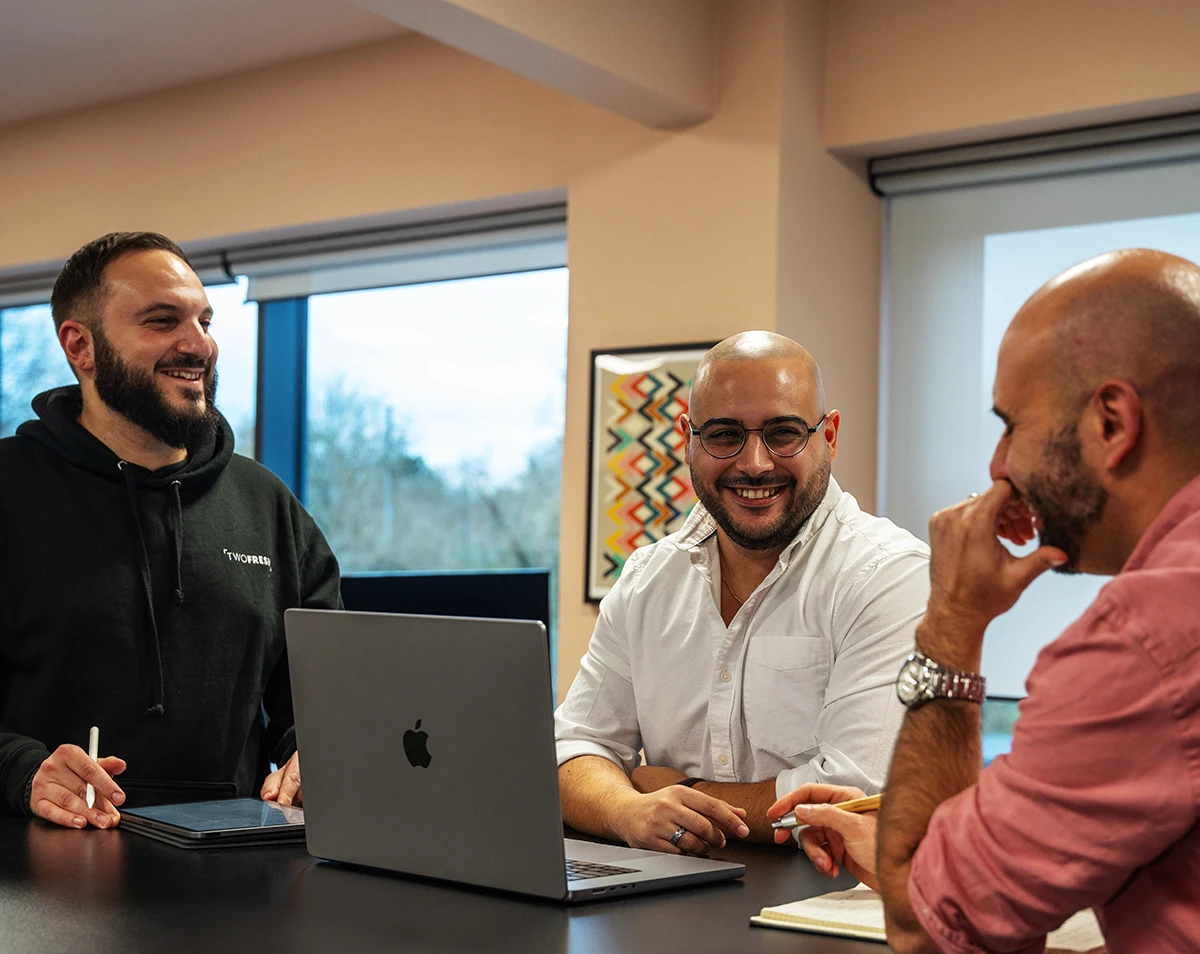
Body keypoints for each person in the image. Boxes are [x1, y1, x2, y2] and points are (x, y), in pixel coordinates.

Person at [770, 248, 1200, 952]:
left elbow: (927, 930)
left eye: (1011, 425)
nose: (998, 466)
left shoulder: (1143, 641)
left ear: (1112, 424)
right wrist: (952, 839)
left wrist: (953, 622)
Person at [0, 232, 341, 830]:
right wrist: (22, 770)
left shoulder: (267, 505)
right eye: (162, 321)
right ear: (80, 346)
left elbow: (326, 698)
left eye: (204, 321)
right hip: (41, 861)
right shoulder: (10, 488)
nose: (198, 345)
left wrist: (311, 754)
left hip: (235, 861)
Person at [555, 331, 930, 856]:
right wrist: (628, 810)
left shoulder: (889, 576)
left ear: (830, 436)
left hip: (828, 896)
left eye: (784, 433)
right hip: (666, 893)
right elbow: (574, 748)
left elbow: (857, 796)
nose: (754, 463)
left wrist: (681, 790)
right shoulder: (646, 580)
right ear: (688, 438)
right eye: (724, 435)